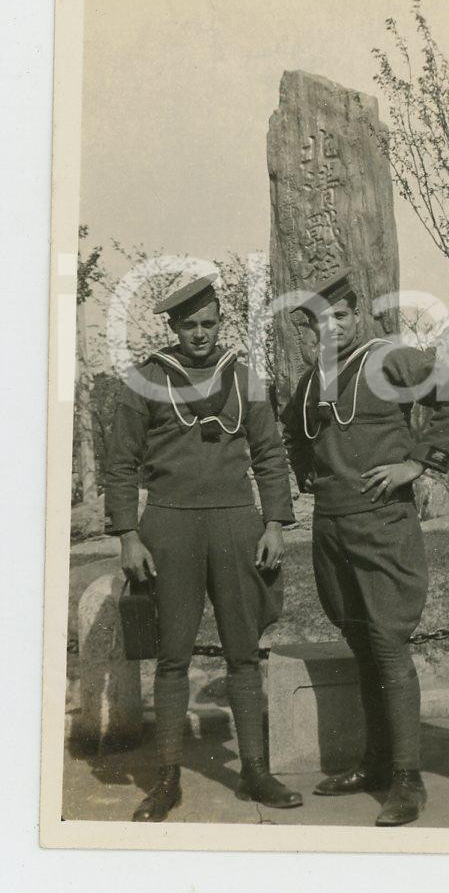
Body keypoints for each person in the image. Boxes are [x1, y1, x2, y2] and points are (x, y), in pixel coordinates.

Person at [281, 268, 449, 826]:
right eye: (321, 321)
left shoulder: (389, 360)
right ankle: (374, 762)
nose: (333, 328)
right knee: (361, 644)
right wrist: (306, 474)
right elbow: (293, 430)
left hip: (383, 525)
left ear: (358, 313)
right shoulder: (312, 378)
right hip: (333, 528)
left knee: (389, 645)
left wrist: (417, 463)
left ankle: (407, 779)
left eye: (340, 316)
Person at [104, 273, 302, 821]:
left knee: (243, 649)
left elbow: (270, 454)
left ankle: (255, 771)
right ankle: (166, 779)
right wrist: (127, 535)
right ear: (172, 327)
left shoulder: (244, 378)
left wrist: (274, 525)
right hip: (168, 524)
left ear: (221, 322)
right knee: (172, 656)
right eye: (189, 325)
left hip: (237, 522)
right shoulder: (145, 380)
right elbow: (119, 464)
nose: (200, 334)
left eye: (209, 323)